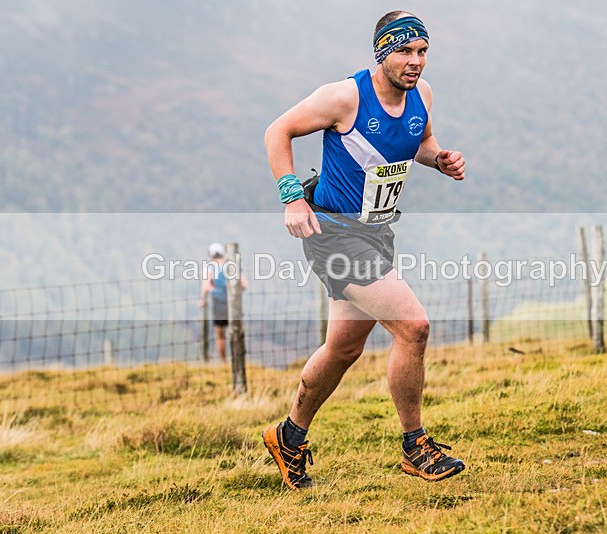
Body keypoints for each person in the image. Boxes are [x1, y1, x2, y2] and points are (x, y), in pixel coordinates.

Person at [262, 11, 466, 489]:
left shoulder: (422, 94)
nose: (415, 61)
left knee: (343, 348)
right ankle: (415, 445)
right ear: (382, 53)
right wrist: (291, 197)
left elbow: (421, 140)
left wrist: (439, 158)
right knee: (413, 327)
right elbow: (277, 131)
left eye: (422, 52)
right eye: (405, 51)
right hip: (334, 234)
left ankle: (288, 436)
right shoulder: (345, 98)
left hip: (375, 232)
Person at [199, 242, 247, 363]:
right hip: (233, 303)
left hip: (218, 304)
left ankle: (224, 362)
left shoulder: (210, 267)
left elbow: (206, 286)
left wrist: (203, 299)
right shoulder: (231, 266)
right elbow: (243, 284)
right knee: (235, 333)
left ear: (211, 255)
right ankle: (237, 361)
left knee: (220, 335)